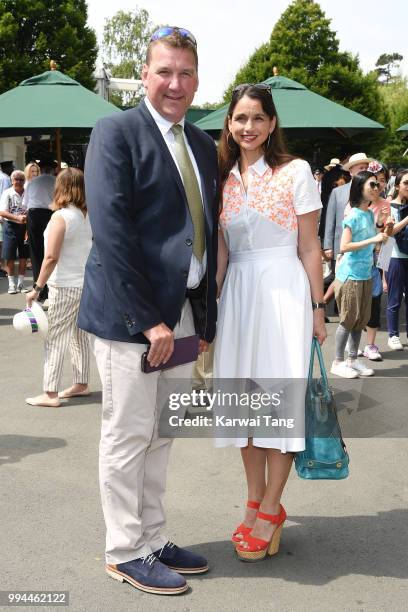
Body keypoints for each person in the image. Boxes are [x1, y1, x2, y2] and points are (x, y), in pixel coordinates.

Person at [77, 26, 218, 595]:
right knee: (128, 433)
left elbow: (203, 234)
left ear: (197, 79)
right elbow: (112, 235)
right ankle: (124, 548)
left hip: (181, 315)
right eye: (165, 71)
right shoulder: (115, 132)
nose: (175, 83)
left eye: (186, 73)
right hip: (132, 319)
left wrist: (201, 321)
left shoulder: (204, 145)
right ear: (145, 75)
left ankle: (153, 537)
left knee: (162, 433)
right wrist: (148, 320)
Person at [214, 83, 326, 562]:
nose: (248, 127)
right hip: (238, 295)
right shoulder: (221, 178)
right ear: (229, 124)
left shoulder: (295, 171)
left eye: (258, 118)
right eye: (240, 118)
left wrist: (319, 307)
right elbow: (221, 249)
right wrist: (209, 309)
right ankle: (254, 500)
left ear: (272, 123)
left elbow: (308, 246)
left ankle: (274, 506)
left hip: (283, 292)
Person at [25, 168, 92, 407]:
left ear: (60, 187)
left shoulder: (61, 217)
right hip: (85, 283)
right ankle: (81, 383)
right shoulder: (87, 215)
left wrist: (36, 287)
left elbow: (51, 256)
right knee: (79, 336)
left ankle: (50, 393)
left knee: (54, 337)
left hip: (64, 285)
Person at [331, 172, 389, 378]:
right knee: (348, 320)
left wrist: (381, 223)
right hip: (351, 275)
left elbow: (375, 238)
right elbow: (344, 246)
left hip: (365, 274)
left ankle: (352, 359)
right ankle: (337, 362)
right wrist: (373, 238)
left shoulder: (367, 214)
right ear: (359, 187)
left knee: (359, 320)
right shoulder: (354, 214)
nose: (377, 187)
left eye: (378, 184)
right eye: (372, 184)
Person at [323, 152, 373, 260]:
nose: (364, 171)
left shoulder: (374, 192)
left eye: (366, 168)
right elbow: (330, 220)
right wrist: (327, 246)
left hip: (365, 247)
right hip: (341, 246)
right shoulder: (337, 192)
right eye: (361, 168)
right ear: (351, 171)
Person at [24, 154, 56, 303]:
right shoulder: (56, 181)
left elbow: (26, 203)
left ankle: (39, 289)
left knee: (36, 253)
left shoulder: (32, 182)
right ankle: (49, 289)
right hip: (50, 214)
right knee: (51, 251)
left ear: (41, 169)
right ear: (53, 169)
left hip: (34, 215)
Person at [386, 169, 408, 351]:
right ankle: (393, 335)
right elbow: (389, 233)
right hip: (395, 257)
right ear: (397, 186)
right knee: (394, 299)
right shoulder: (389, 206)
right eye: (406, 183)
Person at [0, 170, 29, 293]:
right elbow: (2, 212)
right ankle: (12, 284)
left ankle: (21, 284)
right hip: (10, 226)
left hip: (25, 227)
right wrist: (17, 217)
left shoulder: (28, 192)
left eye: (21, 179)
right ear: (12, 181)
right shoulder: (7, 193)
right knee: (10, 256)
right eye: (16, 179)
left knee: (23, 256)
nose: (18, 181)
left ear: (24, 181)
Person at [0, 161, 12, 277]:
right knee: (2, 243)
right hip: (2, 215)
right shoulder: (5, 178)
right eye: (11, 166)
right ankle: (2, 267)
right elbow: (5, 199)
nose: (12, 168)